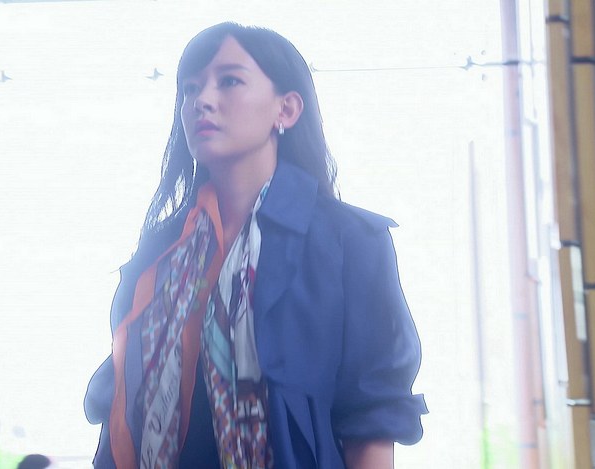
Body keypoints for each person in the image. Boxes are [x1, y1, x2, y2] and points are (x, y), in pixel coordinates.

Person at [84, 22, 426, 469]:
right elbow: (119, 410)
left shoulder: (349, 243)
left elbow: (371, 415)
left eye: (229, 80)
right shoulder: (158, 253)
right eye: (190, 88)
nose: (201, 100)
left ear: (287, 109)